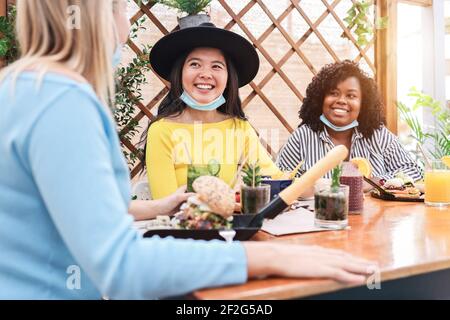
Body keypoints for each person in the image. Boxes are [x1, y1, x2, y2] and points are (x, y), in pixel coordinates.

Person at [0, 0, 376, 299]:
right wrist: (269, 256)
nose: (126, 26)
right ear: (92, 16)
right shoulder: (64, 104)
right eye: (120, 9)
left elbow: (69, 207)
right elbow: (120, 265)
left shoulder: (21, 90)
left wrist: (150, 207)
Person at [143, 22, 285, 200]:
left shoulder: (239, 127)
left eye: (216, 66)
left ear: (228, 78)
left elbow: (273, 179)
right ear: (179, 73)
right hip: (181, 225)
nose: (205, 74)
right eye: (195, 64)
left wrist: (309, 184)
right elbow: (165, 203)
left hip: (228, 225)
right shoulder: (161, 131)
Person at [277, 60, 423, 182]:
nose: (341, 100)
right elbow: (281, 179)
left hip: (372, 216)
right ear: (320, 99)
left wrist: (376, 182)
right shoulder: (302, 137)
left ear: (363, 104)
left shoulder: (378, 136)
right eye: (333, 93)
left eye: (351, 96)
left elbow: (413, 171)